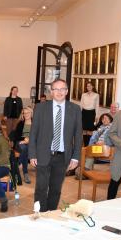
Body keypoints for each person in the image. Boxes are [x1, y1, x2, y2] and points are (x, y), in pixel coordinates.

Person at [28, 79, 82, 212]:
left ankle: (51, 213)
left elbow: (78, 135)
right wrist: (32, 154)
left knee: (56, 189)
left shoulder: (74, 109)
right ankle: (40, 214)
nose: (59, 92)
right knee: (41, 188)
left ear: (67, 91)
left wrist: (75, 157)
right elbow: (33, 132)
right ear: (51, 92)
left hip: (62, 157)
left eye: (62, 89)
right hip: (43, 155)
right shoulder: (41, 107)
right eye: (56, 89)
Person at [10, 107, 33, 184]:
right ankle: (25, 172)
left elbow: (38, 135)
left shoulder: (35, 123)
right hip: (19, 144)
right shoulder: (21, 123)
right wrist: (24, 140)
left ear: (31, 113)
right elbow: (16, 136)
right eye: (24, 113)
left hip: (31, 144)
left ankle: (17, 164)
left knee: (25, 148)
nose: (26, 114)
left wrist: (29, 140)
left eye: (27, 112)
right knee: (24, 147)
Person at [80, 81, 99, 146]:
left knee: (90, 130)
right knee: (84, 130)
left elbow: (97, 106)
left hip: (91, 113)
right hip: (84, 113)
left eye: (90, 86)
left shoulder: (96, 95)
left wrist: (97, 116)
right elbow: (81, 105)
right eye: (87, 86)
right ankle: (85, 145)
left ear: (93, 86)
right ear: (86, 87)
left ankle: (89, 145)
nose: (89, 87)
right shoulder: (83, 95)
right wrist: (79, 114)